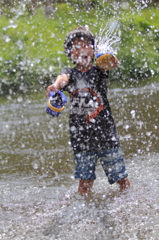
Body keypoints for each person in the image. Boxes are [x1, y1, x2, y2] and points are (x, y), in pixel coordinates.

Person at [46, 26, 130, 195]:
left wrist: (112, 60)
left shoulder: (99, 71)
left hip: (106, 135)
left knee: (121, 178)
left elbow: (110, 63)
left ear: (93, 50)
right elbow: (63, 79)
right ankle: (84, 208)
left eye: (85, 45)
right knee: (85, 182)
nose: (81, 50)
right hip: (81, 139)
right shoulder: (70, 73)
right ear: (69, 53)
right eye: (75, 47)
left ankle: (128, 205)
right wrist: (56, 86)